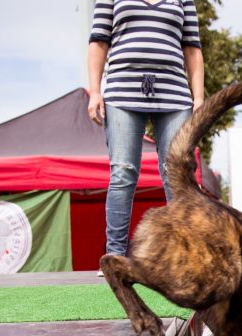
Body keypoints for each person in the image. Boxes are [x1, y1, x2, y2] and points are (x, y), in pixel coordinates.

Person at [87, 0, 205, 265]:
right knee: (123, 172)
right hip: (122, 90)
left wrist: (198, 97)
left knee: (177, 174)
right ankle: (115, 257)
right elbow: (98, 41)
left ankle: (184, 258)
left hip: (175, 94)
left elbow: (192, 48)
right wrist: (95, 91)